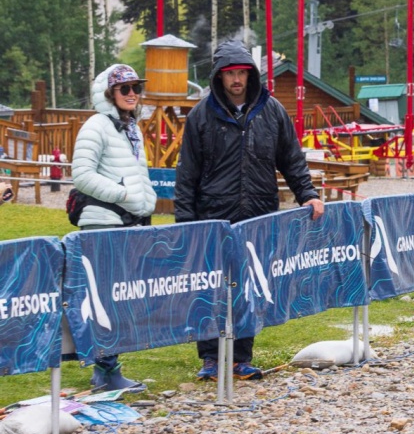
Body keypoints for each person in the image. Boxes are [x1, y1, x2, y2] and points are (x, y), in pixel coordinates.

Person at [175, 40, 324, 381]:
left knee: (249, 288)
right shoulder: (200, 116)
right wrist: (185, 225)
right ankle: (211, 358)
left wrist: (308, 194)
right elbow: (186, 176)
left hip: (258, 215)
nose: (237, 80)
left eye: (242, 72)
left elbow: (291, 159)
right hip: (212, 217)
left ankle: (241, 357)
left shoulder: (272, 111)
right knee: (212, 287)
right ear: (218, 77)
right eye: (230, 74)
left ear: (251, 75)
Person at [71, 64, 157, 392]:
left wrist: (142, 204)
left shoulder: (129, 128)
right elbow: (81, 175)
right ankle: (105, 372)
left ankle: (108, 370)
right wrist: (123, 195)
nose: (132, 93)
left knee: (116, 299)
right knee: (104, 298)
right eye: (124, 88)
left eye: (136, 87)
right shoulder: (97, 126)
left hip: (125, 222)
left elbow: (137, 177)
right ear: (110, 93)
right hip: (102, 222)